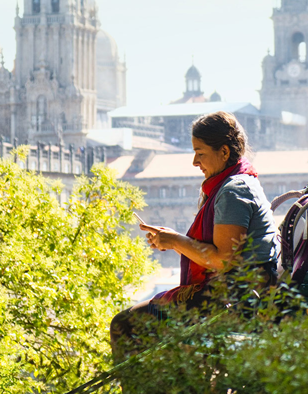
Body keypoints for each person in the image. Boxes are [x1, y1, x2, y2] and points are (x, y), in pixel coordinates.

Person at [110, 111, 280, 363]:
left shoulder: (234, 190)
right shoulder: (235, 183)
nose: (194, 162)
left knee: (126, 324)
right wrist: (170, 240)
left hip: (237, 300)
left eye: (200, 153)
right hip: (241, 293)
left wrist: (176, 241)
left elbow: (223, 260)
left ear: (223, 152)